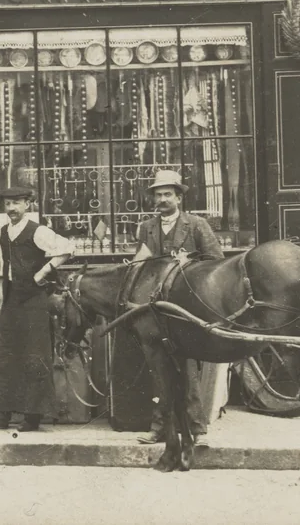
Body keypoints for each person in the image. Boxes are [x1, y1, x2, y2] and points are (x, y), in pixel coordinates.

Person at [0, 185, 73, 432]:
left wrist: (43, 272)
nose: (12, 208)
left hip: (35, 301)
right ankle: (0, 413)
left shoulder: (37, 231)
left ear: (28, 205)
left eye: (17, 203)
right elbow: (1, 268)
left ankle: (32, 416)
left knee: (34, 355)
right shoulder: (4, 232)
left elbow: (67, 248)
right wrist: (2, 299)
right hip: (12, 300)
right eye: (7, 204)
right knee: (4, 355)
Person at [131, 169, 224, 447]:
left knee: (187, 368)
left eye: (167, 194)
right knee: (159, 370)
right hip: (157, 309)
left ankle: (197, 431)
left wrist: (190, 260)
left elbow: (216, 261)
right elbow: (141, 262)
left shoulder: (196, 225)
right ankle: (160, 427)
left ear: (179, 197)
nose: (162, 199)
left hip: (188, 307)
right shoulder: (148, 227)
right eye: (158, 195)